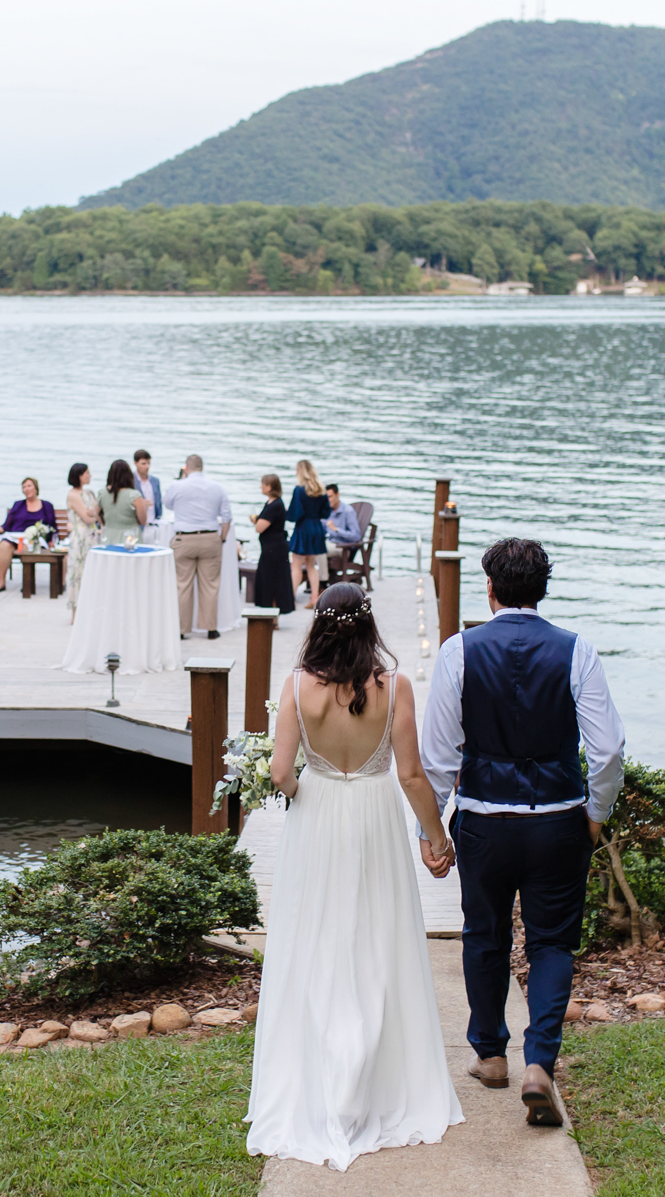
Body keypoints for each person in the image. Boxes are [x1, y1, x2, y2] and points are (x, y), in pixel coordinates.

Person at [246, 582, 462, 1169]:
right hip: (373, 816)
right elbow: (413, 776)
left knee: (316, 940)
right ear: (370, 627)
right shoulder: (395, 687)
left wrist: (301, 793)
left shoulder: (297, 686)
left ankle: (320, 1077)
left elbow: (280, 770)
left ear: (318, 623)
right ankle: (377, 1079)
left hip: (318, 819)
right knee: (377, 940)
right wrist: (437, 839)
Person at [417, 538, 625, 1127]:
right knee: (551, 942)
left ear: (489, 588)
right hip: (558, 818)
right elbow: (607, 749)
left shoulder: (460, 652)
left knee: (483, 935)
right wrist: (596, 811)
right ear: (544, 590)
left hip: (484, 819)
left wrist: (432, 831)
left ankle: (490, 1055)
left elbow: (437, 755)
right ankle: (539, 1062)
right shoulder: (575, 650)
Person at [162, 453, 231, 638]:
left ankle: (181, 630)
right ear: (202, 467)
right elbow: (226, 517)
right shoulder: (217, 487)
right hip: (209, 538)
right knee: (210, 585)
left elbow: (167, 504)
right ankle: (210, 629)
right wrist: (222, 538)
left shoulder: (177, 486)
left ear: (187, 467)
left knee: (182, 584)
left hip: (184, 539)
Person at [0, 477, 56, 593]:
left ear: (36, 488)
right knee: (4, 545)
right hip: (15, 537)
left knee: (27, 547)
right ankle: (0, 581)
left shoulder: (47, 506)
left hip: (35, 539)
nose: (26, 489)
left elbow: (52, 527)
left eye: (29, 486)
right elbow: (6, 526)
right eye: (24, 487)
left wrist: (51, 541)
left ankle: (28, 583)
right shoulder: (18, 505)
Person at [287, 459, 331, 608]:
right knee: (312, 566)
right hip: (316, 528)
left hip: (303, 528)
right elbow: (326, 513)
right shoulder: (321, 489)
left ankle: (290, 598)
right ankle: (314, 598)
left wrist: (288, 516)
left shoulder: (299, 490)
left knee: (296, 565)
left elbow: (295, 513)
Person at [249, 474, 295, 614]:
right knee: (270, 580)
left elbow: (259, 528)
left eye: (263, 484)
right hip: (271, 547)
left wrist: (256, 522)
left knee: (273, 581)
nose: (261, 487)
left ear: (269, 487)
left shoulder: (275, 505)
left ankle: (274, 614)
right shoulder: (272, 503)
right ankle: (271, 612)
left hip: (274, 549)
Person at [63, 462, 100, 617]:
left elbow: (96, 513)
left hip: (92, 537)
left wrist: (94, 514)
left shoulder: (89, 493)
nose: (89, 476)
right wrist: (93, 514)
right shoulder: (73, 495)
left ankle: (89, 610)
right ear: (79, 476)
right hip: (81, 537)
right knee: (77, 572)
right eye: (86, 473)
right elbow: (87, 518)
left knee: (90, 572)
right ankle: (75, 612)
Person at [97, 458, 149, 544]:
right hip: (130, 537)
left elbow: (96, 514)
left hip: (109, 535)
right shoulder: (134, 495)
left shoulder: (102, 493)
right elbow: (143, 520)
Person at [133, 449, 164, 521]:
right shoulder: (130, 481)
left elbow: (159, 502)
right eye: (143, 464)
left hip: (154, 521)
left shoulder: (155, 481)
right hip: (137, 523)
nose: (147, 466)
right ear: (135, 463)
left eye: (148, 463)